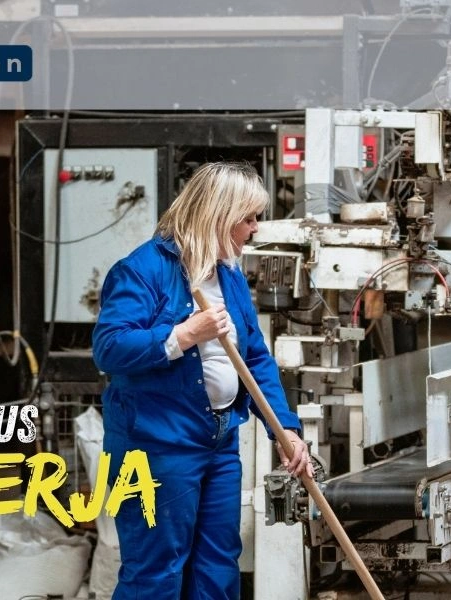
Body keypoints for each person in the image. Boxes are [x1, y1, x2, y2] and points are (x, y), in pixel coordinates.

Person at [93, 162, 312, 599]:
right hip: (156, 446)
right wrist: (184, 335)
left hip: (218, 443)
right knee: (156, 571)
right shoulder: (143, 270)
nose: (254, 229)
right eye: (247, 218)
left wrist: (283, 428)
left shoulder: (227, 275)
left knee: (217, 564)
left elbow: (254, 358)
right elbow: (110, 348)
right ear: (217, 214)